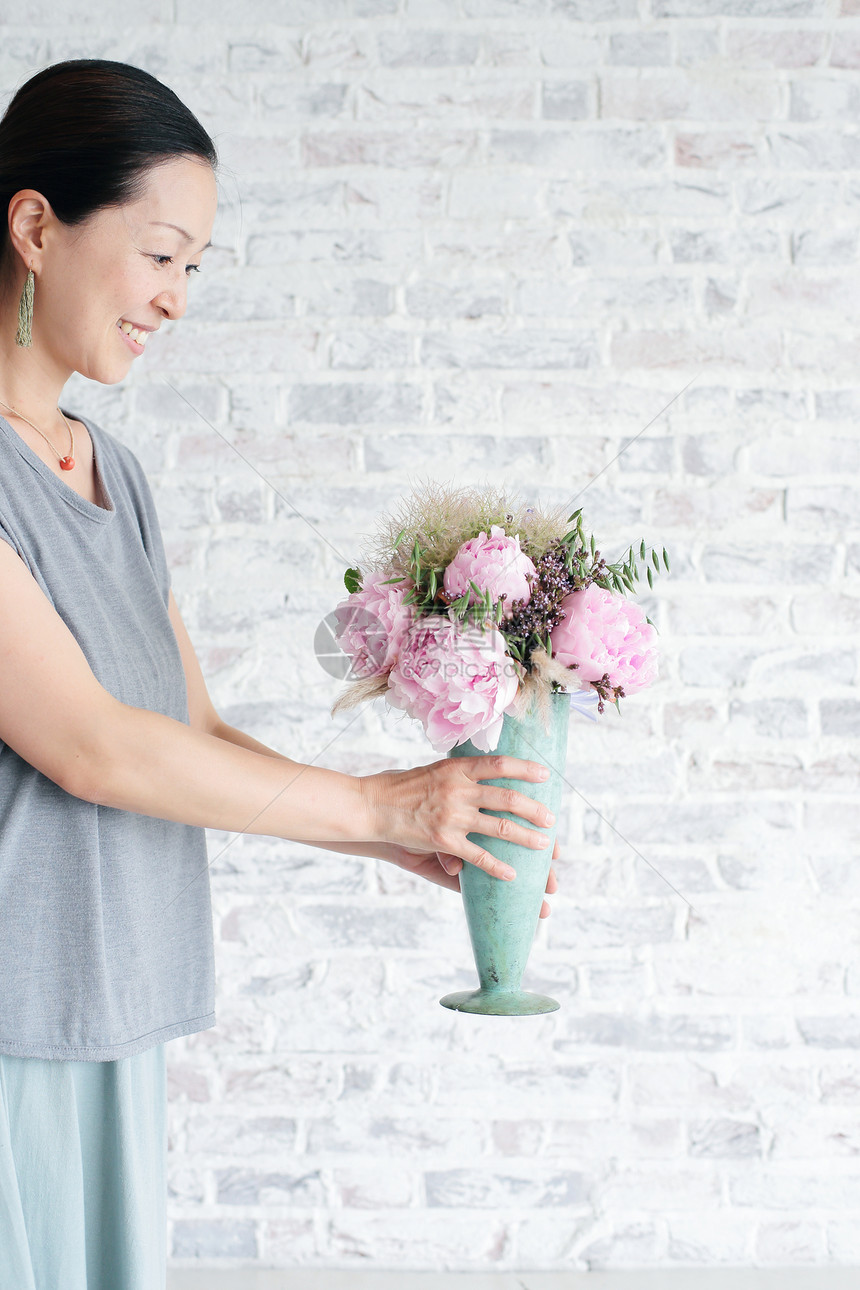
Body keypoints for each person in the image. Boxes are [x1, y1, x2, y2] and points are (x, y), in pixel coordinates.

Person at [0, 58, 560, 1290]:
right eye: (159, 255)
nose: (177, 301)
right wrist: (376, 805)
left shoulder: (115, 472)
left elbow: (183, 724)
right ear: (36, 226)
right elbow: (89, 743)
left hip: (107, 1006)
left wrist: (403, 831)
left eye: (194, 267)